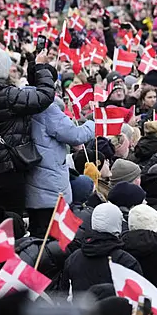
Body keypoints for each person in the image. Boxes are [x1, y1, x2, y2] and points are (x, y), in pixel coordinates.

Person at [0, 47, 56, 214]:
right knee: (11, 221)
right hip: (9, 169)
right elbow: (44, 96)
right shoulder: (7, 95)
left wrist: (31, 63)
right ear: (1, 69)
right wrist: (43, 68)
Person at [24, 95, 94, 237]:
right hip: (50, 187)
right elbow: (76, 136)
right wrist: (92, 124)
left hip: (30, 184)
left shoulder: (22, 102)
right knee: (53, 238)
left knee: (37, 235)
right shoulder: (46, 108)